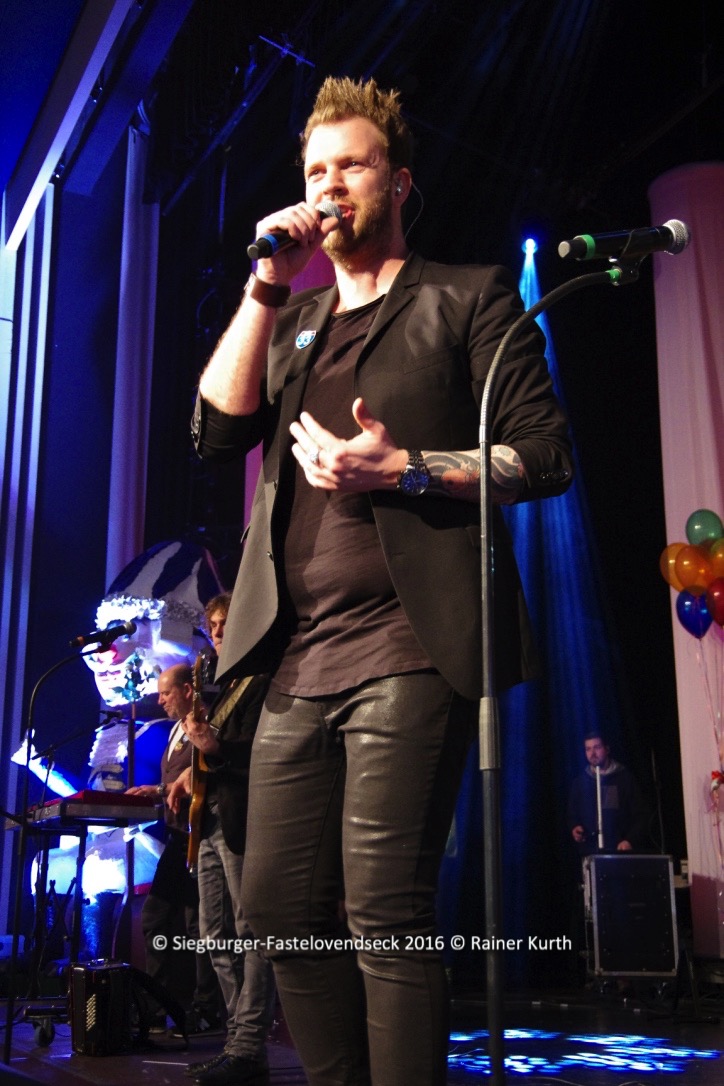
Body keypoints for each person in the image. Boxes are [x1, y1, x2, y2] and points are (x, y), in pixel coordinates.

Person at [192, 75, 574, 1086]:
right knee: (278, 911)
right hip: (293, 655)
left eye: (351, 166)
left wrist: (403, 469)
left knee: (384, 911)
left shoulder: (468, 295)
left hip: (408, 642)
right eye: (315, 171)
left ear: (398, 181)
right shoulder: (296, 319)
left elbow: (542, 457)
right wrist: (265, 285)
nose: (329, 186)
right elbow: (216, 429)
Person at [167, 594, 275, 1086]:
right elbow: (213, 751)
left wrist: (214, 747)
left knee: (250, 930)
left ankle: (249, 1045)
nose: (216, 632)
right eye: (211, 625)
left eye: (224, 622)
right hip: (207, 820)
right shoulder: (227, 683)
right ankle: (238, 1042)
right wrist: (192, 770)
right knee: (214, 935)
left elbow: (263, 753)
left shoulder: (262, 677)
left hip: (239, 817)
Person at [127, 663, 221, 1033]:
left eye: (166, 693)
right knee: (160, 918)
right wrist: (154, 793)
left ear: (187, 690)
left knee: (199, 926)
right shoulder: (175, 730)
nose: (161, 700)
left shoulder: (205, 724)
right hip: (177, 837)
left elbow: (206, 774)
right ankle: (159, 1004)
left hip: (201, 836)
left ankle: (206, 1008)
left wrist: (160, 789)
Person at [567, 732, 649, 855]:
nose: (592, 753)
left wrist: (630, 840)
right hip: (589, 851)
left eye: (597, 747)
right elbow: (572, 814)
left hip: (619, 850)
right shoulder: (580, 782)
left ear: (607, 749)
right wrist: (575, 827)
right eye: (588, 749)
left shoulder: (624, 778)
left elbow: (641, 815)